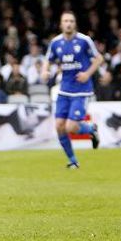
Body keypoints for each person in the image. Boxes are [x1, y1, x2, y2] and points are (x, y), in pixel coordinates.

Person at [41, 11, 103, 169]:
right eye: (65, 21)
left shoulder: (84, 40)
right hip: (64, 90)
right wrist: (44, 71)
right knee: (59, 126)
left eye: (71, 21)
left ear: (75, 24)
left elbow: (99, 58)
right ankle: (73, 161)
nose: (68, 23)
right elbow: (47, 60)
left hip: (81, 90)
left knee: (71, 127)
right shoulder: (56, 42)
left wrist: (87, 73)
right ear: (61, 24)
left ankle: (91, 128)